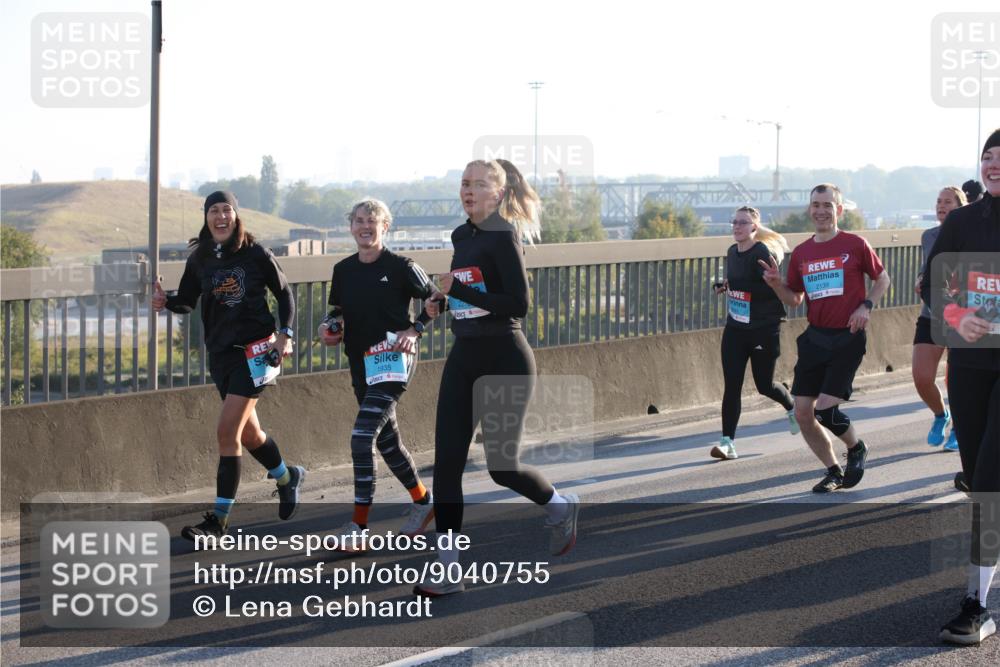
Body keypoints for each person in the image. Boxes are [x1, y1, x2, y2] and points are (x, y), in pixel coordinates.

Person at [414, 159, 579, 597]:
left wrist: (458, 290)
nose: (469, 191)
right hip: (465, 354)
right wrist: (439, 304)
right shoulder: (461, 236)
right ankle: (449, 568)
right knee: (447, 465)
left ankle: (560, 507)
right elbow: (469, 294)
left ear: (499, 194)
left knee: (501, 467)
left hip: (505, 356)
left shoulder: (503, 235)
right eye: (464, 183)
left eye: (479, 184)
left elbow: (517, 304)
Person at [151, 191, 304, 540]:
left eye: (227, 210)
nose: (221, 217)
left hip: (257, 353)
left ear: (236, 216)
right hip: (220, 355)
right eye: (214, 211)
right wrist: (166, 301)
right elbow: (188, 301)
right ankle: (287, 476)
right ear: (206, 217)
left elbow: (284, 293)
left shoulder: (255, 253)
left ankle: (218, 521)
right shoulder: (201, 258)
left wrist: (286, 335)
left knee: (226, 432)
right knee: (249, 434)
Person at [319, 198, 436, 549]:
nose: (365, 226)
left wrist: (415, 330)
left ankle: (358, 528)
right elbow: (337, 311)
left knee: (361, 437)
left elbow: (436, 298)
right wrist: (330, 326)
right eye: (358, 220)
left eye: (373, 221)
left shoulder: (402, 266)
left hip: (393, 361)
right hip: (360, 362)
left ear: (386, 227)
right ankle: (423, 501)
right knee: (388, 443)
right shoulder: (343, 270)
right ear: (350, 226)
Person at [761, 184, 891, 493]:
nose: (821, 210)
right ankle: (833, 470)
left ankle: (856, 447)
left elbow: (882, 278)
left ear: (839, 210)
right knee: (804, 412)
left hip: (848, 336)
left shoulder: (855, 244)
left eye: (827, 205)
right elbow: (795, 299)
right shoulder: (803, 252)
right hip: (815, 338)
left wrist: (866, 305)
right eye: (816, 204)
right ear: (810, 209)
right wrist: (776, 284)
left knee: (826, 411)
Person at [923, 129, 1000, 645]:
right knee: (978, 478)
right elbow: (937, 282)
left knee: (992, 478)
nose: (993, 165)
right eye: (987, 157)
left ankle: (976, 604)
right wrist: (956, 314)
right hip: (971, 366)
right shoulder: (964, 220)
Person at [710, 206, 797, 460]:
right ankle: (727, 443)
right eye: (734, 222)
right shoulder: (731, 252)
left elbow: (770, 283)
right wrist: (726, 286)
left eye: (743, 223)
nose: (737, 226)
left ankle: (791, 406)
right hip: (736, 328)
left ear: (754, 228)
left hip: (763, 328)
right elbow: (738, 279)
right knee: (732, 386)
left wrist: (769, 280)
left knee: (764, 386)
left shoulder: (761, 252)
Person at [912, 187, 967, 451]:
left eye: (947, 201)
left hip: (962, 316)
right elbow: (928, 270)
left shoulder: (973, 234)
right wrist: (921, 281)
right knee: (922, 377)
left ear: (961, 206)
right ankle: (940, 414)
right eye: (938, 201)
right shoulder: (929, 235)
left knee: (958, 379)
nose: (941, 206)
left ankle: (959, 427)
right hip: (931, 312)